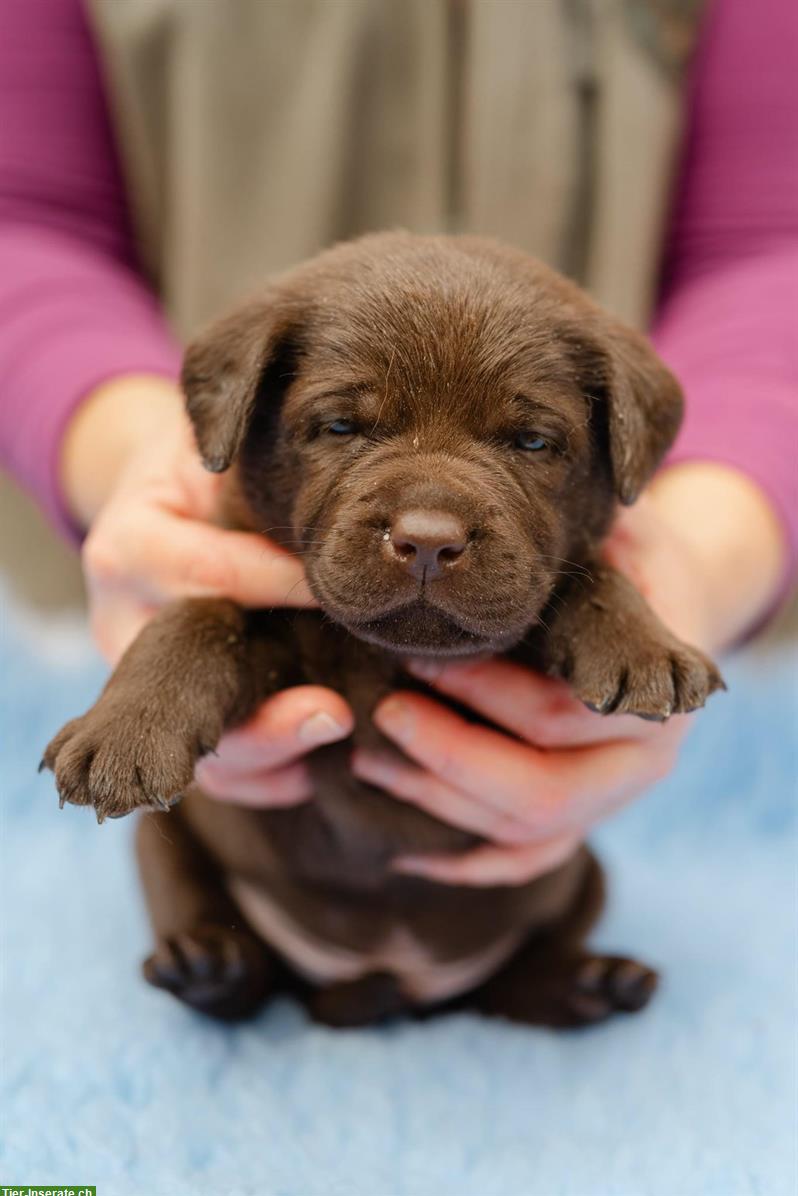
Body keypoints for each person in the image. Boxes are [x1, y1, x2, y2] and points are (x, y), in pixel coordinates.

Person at [1, 0, 795, 886]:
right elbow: (18, 215)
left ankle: (537, 957)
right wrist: (126, 456)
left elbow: (775, 244)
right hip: (242, 859)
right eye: (341, 426)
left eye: (530, 442)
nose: (428, 521)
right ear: (240, 415)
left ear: (622, 446)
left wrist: (706, 556)